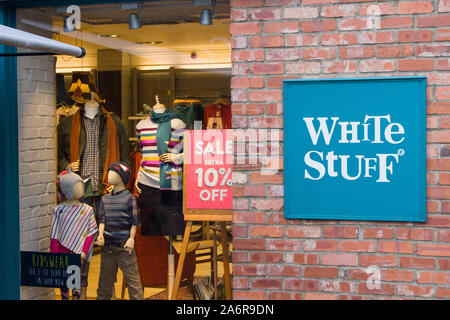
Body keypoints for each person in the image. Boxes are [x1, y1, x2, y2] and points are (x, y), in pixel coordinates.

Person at [96, 162, 143, 300]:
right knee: (104, 285)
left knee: (133, 284)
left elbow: (134, 221)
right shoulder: (104, 199)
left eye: (113, 172)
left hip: (125, 249)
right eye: (109, 171)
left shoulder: (130, 199)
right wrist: (100, 234)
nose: (109, 174)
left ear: (122, 177)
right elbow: (102, 220)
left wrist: (131, 238)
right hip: (107, 249)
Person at [51, 170, 98, 300]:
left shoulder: (87, 210)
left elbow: (91, 232)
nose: (81, 188)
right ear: (67, 189)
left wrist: (84, 251)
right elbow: (54, 235)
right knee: (64, 287)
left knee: (77, 286)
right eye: (77, 185)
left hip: (79, 255)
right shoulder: (58, 210)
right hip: (62, 253)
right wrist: (53, 257)